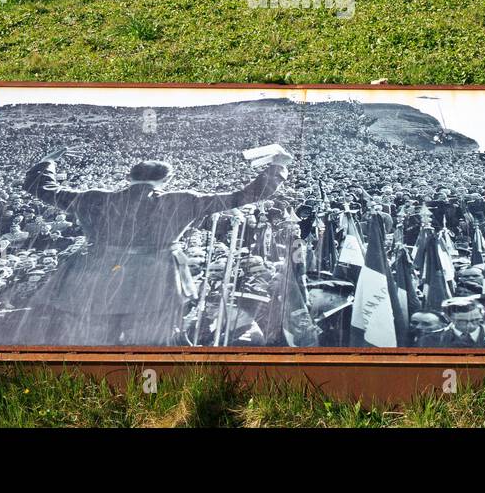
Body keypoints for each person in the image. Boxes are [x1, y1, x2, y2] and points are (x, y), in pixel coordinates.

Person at [22, 148, 289, 346]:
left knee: (95, 340)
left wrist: (48, 163)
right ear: (167, 179)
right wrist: (276, 167)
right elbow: (246, 196)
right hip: (156, 282)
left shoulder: (92, 199)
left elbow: (41, 187)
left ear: (129, 176)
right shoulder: (182, 200)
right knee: (152, 343)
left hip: (98, 278)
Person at [420, 298, 485, 349]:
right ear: (448, 317)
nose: (470, 326)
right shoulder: (430, 340)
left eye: (475, 320)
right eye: (462, 321)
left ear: (482, 315)